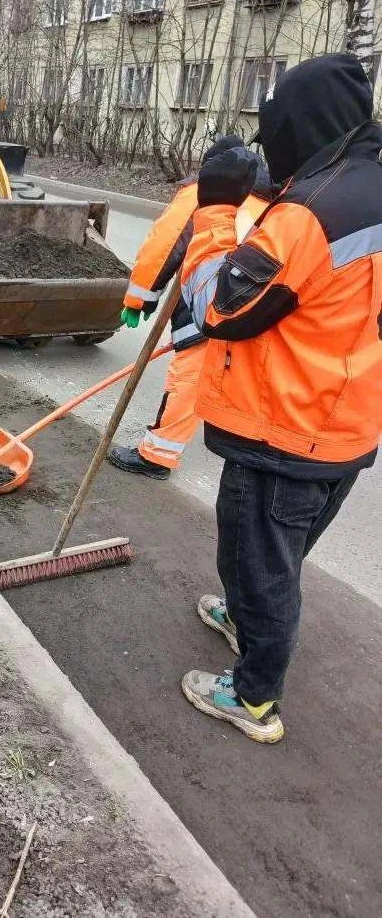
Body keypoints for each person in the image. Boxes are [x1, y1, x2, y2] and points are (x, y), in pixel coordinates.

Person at [179, 53, 382, 743]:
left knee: (259, 566)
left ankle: (252, 696)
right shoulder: (365, 187)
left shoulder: (308, 216)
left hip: (283, 433)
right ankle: (242, 619)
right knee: (279, 556)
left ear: (296, 125)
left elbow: (219, 309)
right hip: (345, 428)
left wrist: (212, 212)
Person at [108, 137, 273, 479]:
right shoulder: (275, 199)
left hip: (216, 298)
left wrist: (139, 299)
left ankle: (157, 455)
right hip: (264, 307)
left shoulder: (204, 190)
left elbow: (164, 245)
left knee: (190, 377)